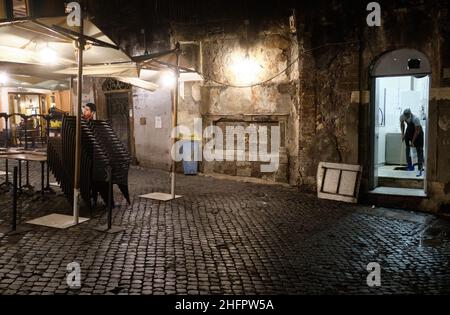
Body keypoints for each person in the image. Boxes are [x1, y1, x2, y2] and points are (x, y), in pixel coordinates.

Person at [400, 108, 424, 176]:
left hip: (418, 133)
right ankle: (410, 165)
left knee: (419, 149)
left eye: (407, 116)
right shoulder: (402, 116)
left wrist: (413, 142)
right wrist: (402, 134)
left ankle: (420, 167)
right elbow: (402, 124)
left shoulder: (415, 119)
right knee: (407, 148)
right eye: (405, 116)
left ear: (410, 114)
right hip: (409, 131)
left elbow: (417, 131)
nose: (406, 117)